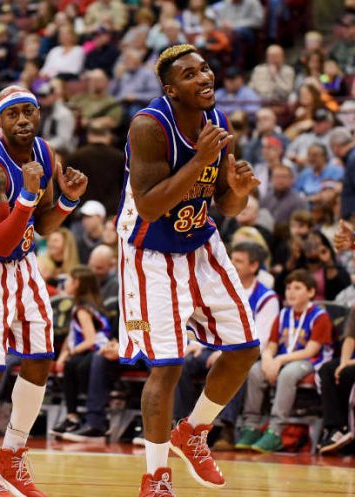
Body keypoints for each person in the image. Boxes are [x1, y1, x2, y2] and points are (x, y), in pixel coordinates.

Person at [117, 45, 261, 496]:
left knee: (245, 347)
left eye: (205, 69)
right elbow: (150, 205)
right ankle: (156, 477)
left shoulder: (219, 125)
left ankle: (193, 431)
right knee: (168, 365)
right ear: (170, 89)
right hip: (149, 248)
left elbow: (226, 203)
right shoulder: (148, 126)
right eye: (189, 74)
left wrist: (237, 194)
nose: (203, 78)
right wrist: (199, 161)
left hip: (198, 239)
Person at [0, 85, 87, 497]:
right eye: (13, 115)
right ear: (0, 121)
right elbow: (1, 241)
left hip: (23, 264)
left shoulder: (45, 151)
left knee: (41, 356)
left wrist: (66, 202)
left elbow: (40, 227)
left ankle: (13, 454)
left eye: (30, 112)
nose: (23, 120)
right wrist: (27, 194)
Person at [174, 242, 279, 451]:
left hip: (246, 351)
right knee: (182, 363)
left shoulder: (267, 297)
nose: (233, 264)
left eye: (239, 261)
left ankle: (226, 429)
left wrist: (224, 351)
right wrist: (197, 344)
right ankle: (182, 424)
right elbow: (204, 322)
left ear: (254, 266)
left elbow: (261, 337)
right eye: (232, 259)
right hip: (213, 347)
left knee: (233, 364)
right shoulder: (219, 288)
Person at [235, 270, 333, 453]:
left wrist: (278, 360)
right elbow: (271, 345)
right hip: (284, 360)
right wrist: (267, 360)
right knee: (256, 371)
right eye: (288, 288)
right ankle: (251, 426)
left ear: (311, 292)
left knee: (288, 373)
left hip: (311, 361)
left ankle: (275, 430)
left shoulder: (320, 316)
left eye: (297, 287)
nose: (291, 292)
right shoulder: (282, 315)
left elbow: (311, 350)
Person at [51, 266, 111, 437]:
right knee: (71, 365)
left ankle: (75, 416)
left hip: (99, 351)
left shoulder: (83, 309)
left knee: (73, 366)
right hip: (95, 351)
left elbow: (91, 340)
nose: (66, 283)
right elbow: (72, 335)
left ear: (77, 284)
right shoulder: (88, 305)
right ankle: (74, 416)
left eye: (69, 280)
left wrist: (71, 353)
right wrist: (63, 355)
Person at [317, 305, 355, 454]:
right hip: (351, 361)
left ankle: (349, 428)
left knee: (347, 374)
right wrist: (344, 361)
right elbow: (350, 338)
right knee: (327, 370)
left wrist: (348, 364)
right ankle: (336, 428)